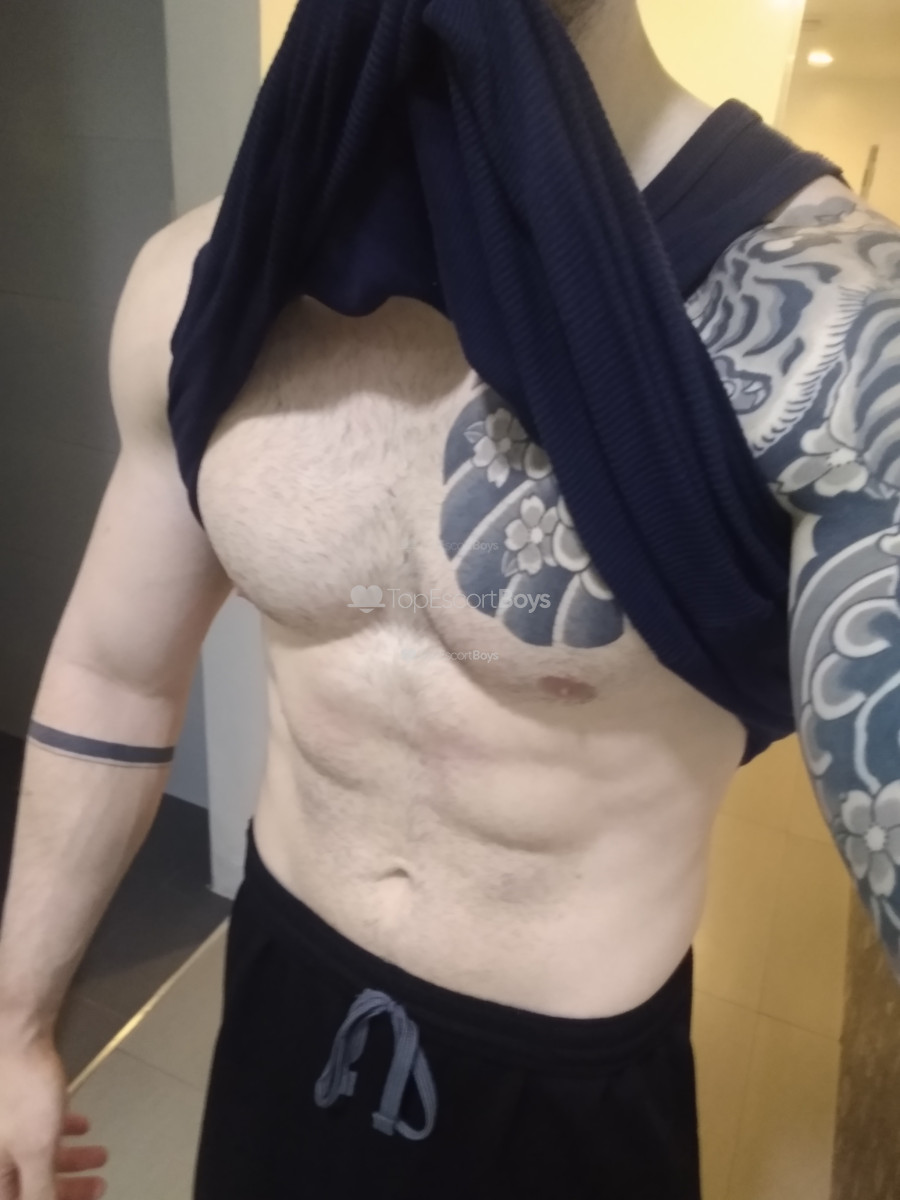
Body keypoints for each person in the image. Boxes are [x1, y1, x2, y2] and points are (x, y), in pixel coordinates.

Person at [1, 0, 899, 1196]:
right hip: (279, 995)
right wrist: (16, 1022)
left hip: (569, 1084)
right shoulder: (207, 282)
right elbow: (115, 673)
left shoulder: (839, 339)